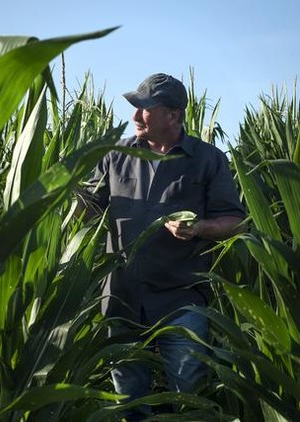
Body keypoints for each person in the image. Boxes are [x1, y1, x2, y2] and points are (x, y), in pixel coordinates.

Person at [82, 73, 246, 419]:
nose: (135, 116)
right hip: (122, 302)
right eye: (135, 108)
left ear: (173, 115)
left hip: (181, 302)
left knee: (188, 402)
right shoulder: (115, 156)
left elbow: (235, 221)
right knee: (130, 403)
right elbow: (87, 210)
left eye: (145, 109)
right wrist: (65, 190)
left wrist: (200, 228)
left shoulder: (208, 159)